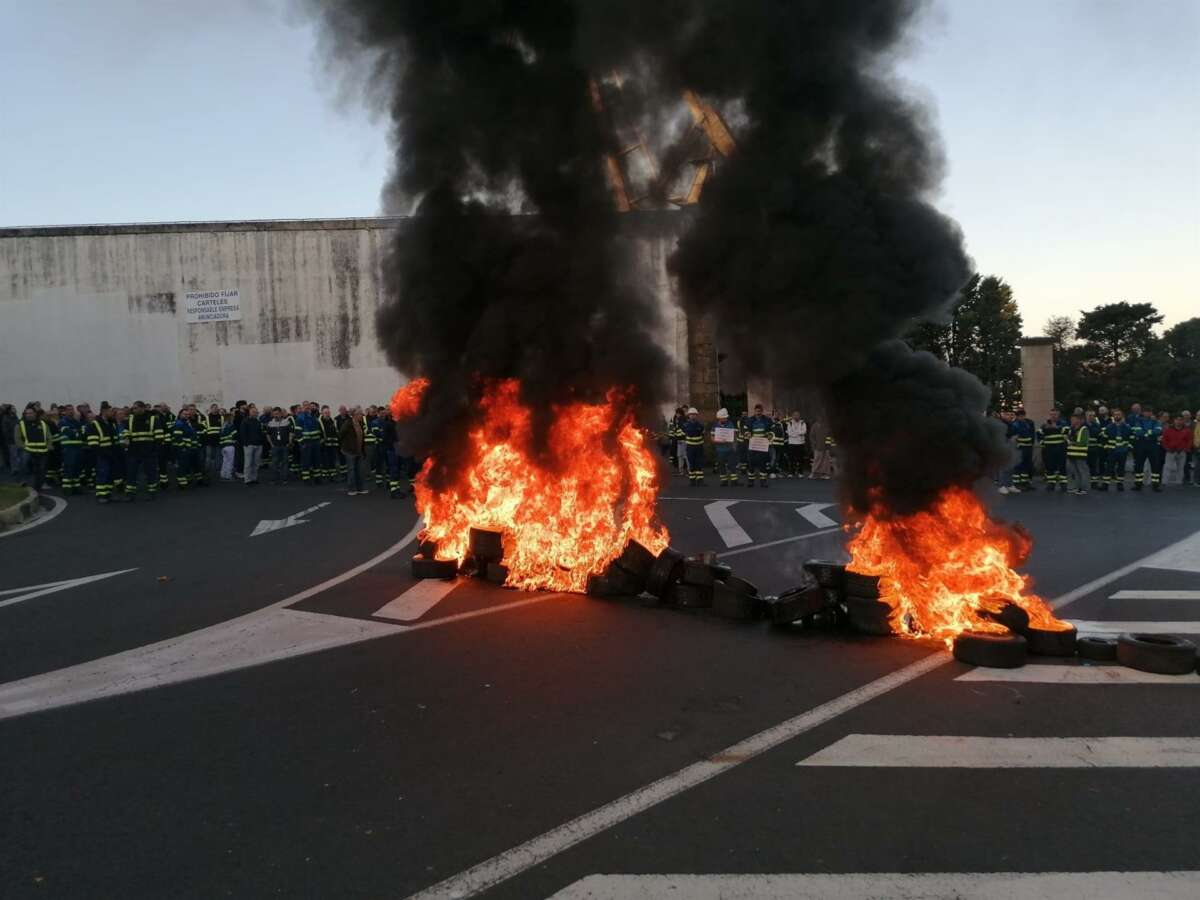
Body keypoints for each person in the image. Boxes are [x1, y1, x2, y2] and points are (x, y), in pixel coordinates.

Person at [124, 401, 162, 500]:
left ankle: (152, 491)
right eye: (133, 408)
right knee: (131, 472)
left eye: (136, 408)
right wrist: (126, 438)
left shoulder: (153, 419)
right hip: (134, 450)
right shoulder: (130, 419)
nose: (133, 410)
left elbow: (159, 436)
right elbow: (126, 431)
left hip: (148, 451)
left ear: (142, 408)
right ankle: (130, 493)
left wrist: (155, 450)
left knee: (151, 472)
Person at [86, 405, 117, 503]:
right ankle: (101, 495)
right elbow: (93, 444)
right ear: (104, 411)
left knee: (109, 475)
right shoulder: (95, 424)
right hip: (102, 455)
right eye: (110, 411)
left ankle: (107, 494)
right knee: (102, 474)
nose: (112, 413)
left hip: (111, 454)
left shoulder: (110, 423)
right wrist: (102, 454)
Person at [16, 405, 51, 492]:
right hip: (28, 450)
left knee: (41, 470)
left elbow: (48, 436)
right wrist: (23, 447)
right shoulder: (20, 424)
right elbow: (17, 438)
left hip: (42, 451)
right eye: (27, 413)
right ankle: (22, 482)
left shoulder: (43, 424)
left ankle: (37, 487)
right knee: (23, 466)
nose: (28, 415)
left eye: (30, 413)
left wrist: (49, 446)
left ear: (35, 414)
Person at [1131, 403, 1163, 492]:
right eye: (1146, 412)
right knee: (1139, 465)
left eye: (1149, 412)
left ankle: (1155, 485)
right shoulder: (1139, 421)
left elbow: (1158, 430)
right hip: (1141, 445)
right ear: (1143, 413)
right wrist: (1149, 433)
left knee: (1155, 465)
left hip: (1153, 445)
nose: (1148, 413)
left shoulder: (1155, 421)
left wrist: (1146, 433)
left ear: (1151, 413)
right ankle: (1138, 484)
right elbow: (1137, 432)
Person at [339, 406, 368, 495]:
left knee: (360, 470)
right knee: (351, 470)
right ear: (355, 415)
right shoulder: (348, 423)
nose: (362, 415)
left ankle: (360, 488)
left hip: (359, 451)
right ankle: (351, 489)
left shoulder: (360, 423)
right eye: (360, 414)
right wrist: (346, 446)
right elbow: (341, 434)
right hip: (350, 451)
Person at [57, 405, 85, 495]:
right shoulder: (62, 422)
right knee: (69, 467)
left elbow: (82, 432)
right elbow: (68, 433)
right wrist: (75, 432)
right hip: (68, 448)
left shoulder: (76, 422)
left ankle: (76, 486)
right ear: (65, 412)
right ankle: (67, 488)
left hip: (78, 448)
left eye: (72, 410)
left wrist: (76, 432)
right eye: (69, 410)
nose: (71, 411)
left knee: (77, 467)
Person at [744, 404, 773, 487]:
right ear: (754, 411)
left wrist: (770, 435)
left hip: (763, 445)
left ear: (762, 411)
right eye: (757, 411)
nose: (758, 413)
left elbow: (771, 430)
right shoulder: (750, 420)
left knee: (762, 463)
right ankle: (751, 481)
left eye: (760, 411)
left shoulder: (767, 420)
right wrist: (747, 434)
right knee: (751, 463)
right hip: (752, 445)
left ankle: (763, 481)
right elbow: (745, 430)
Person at [1037, 413, 1067, 492]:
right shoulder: (1044, 425)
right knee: (1049, 467)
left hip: (1060, 449)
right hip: (1048, 449)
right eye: (1051, 415)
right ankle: (1051, 484)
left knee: (1062, 466)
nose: (1053, 416)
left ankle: (1063, 484)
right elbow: (1039, 434)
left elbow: (1065, 431)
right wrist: (1042, 442)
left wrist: (1052, 429)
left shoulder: (1063, 424)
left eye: (1055, 415)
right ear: (1049, 416)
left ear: (1058, 416)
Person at [710, 408, 738, 486]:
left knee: (732, 465)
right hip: (720, 449)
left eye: (726, 417)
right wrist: (719, 441)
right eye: (724, 417)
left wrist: (734, 445)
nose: (725, 419)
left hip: (730, 448)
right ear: (719, 418)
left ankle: (734, 481)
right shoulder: (715, 426)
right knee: (721, 465)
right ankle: (724, 481)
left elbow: (734, 435)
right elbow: (712, 438)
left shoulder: (730, 424)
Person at [1105, 409, 1132, 492]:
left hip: (1122, 451)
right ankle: (1105, 484)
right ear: (1113, 416)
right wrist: (1106, 447)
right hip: (1112, 451)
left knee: (1121, 469)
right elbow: (1104, 438)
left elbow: (1130, 438)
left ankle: (1120, 484)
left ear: (1122, 416)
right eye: (1115, 414)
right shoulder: (1109, 427)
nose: (1117, 416)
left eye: (1119, 414)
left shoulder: (1127, 427)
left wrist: (1128, 448)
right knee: (1109, 468)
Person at [1008, 408, 1035, 492]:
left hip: (1028, 448)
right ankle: (1017, 483)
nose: (1022, 417)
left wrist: (1031, 442)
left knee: (1026, 465)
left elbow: (1031, 434)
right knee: (1018, 466)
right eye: (1020, 416)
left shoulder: (1028, 423)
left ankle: (1024, 482)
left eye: (1023, 416)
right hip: (1019, 448)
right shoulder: (1015, 424)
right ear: (1017, 416)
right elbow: (1015, 436)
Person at [238, 404, 266, 485]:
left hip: (258, 445)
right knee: (248, 463)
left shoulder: (258, 422)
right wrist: (246, 443)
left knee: (256, 463)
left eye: (256, 412)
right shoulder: (245, 421)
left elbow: (261, 433)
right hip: (249, 445)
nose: (255, 413)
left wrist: (261, 442)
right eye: (253, 412)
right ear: (250, 413)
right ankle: (247, 479)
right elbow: (242, 433)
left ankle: (254, 478)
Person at [679, 407, 706, 486]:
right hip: (690, 447)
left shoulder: (700, 425)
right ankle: (692, 480)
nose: (693, 416)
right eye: (691, 415)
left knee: (699, 463)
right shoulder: (685, 425)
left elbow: (702, 434)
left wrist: (695, 433)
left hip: (699, 447)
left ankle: (700, 481)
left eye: (694, 414)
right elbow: (686, 434)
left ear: (696, 415)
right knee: (691, 464)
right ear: (689, 416)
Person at [1162, 414, 1191, 485]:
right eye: (1177, 420)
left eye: (1180, 420)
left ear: (1183, 421)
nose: (1179, 421)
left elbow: (1189, 441)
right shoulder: (1168, 430)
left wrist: (1185, 449)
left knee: (1181, 468)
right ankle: (1164, 482)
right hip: (1170, 451)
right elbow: (1164, 440)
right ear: (1174, 421)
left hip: (1182, 451)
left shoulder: (1187, 430)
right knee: (1167, 467)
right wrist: (1167, 448)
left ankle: (1179, 482)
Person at [1066, 412, 1090, 495]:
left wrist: (1072, 443)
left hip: (1080, 454)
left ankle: (1084, 488)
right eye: (1071, 419)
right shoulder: (1071, 429)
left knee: (1082, 471)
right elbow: (1068, 439)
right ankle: (1075, 487)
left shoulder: (1084, 429)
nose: (1072, 421)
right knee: (1074, 472)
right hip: (1071, 454)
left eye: (1073, 419)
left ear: (1079, 420)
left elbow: (1083, 442)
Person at [1089, 407, 1110, 491]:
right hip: (1096, 445)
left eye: (1103, 411)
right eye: (1100, 411)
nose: (1101, 413)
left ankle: (1100, 478)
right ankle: (1099, 476)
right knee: (1098, 462)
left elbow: (1103, 431)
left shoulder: (1110, 419)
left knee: (1105, 462)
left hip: (1105, 444)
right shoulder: (1097, 420)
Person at [319, 405, 339, 483]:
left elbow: (335, 432)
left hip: (333, 445)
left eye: (328, 413)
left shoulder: (332, 421)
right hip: (324, 445)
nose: (327, 414)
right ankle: (325, 476)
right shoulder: (320, 422)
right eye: (325, 413)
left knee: (332, 461)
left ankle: (333, 476)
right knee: (325, 461)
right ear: (322, 413)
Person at [784, 411, 807, 479]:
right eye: (795, 415)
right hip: (792, 443)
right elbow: (789, 433)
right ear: (793, 416)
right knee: (791, 459)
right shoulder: (790, 423)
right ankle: (791, 472)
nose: (796, 416)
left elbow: (804, 431)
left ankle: (800, 473)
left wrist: (796, 433)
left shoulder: (803, 423)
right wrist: (798, 433)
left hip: (800, 443)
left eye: (797, 415)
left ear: (799, 416)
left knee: (800, 459)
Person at [218, 413, 238, 480]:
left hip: (223, 446)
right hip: (230, 445)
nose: (233, 418)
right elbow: (235, 435)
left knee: (225, 461)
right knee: (230, 461)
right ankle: (228, 475)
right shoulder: (231, 426)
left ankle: (223, 474)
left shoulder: (223, 427)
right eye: (232, 417)